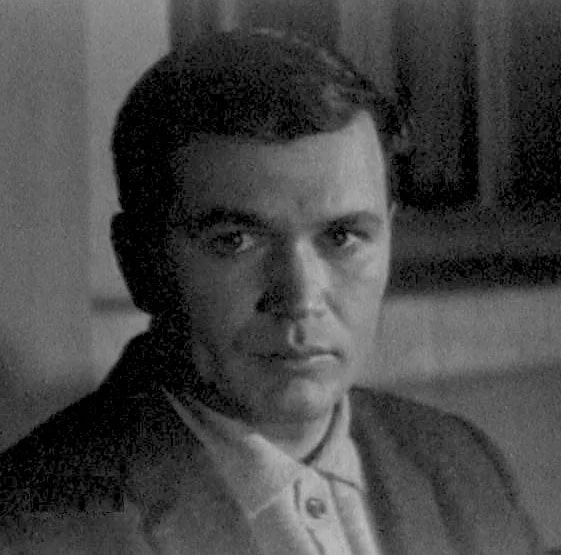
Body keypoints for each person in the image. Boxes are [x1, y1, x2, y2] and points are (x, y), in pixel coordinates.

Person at [0, 29, 542, 554]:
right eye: (235, 240)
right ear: (139, 263)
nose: (301, 297)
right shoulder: (31, 530)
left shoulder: (461, 464)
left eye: (343, 237)